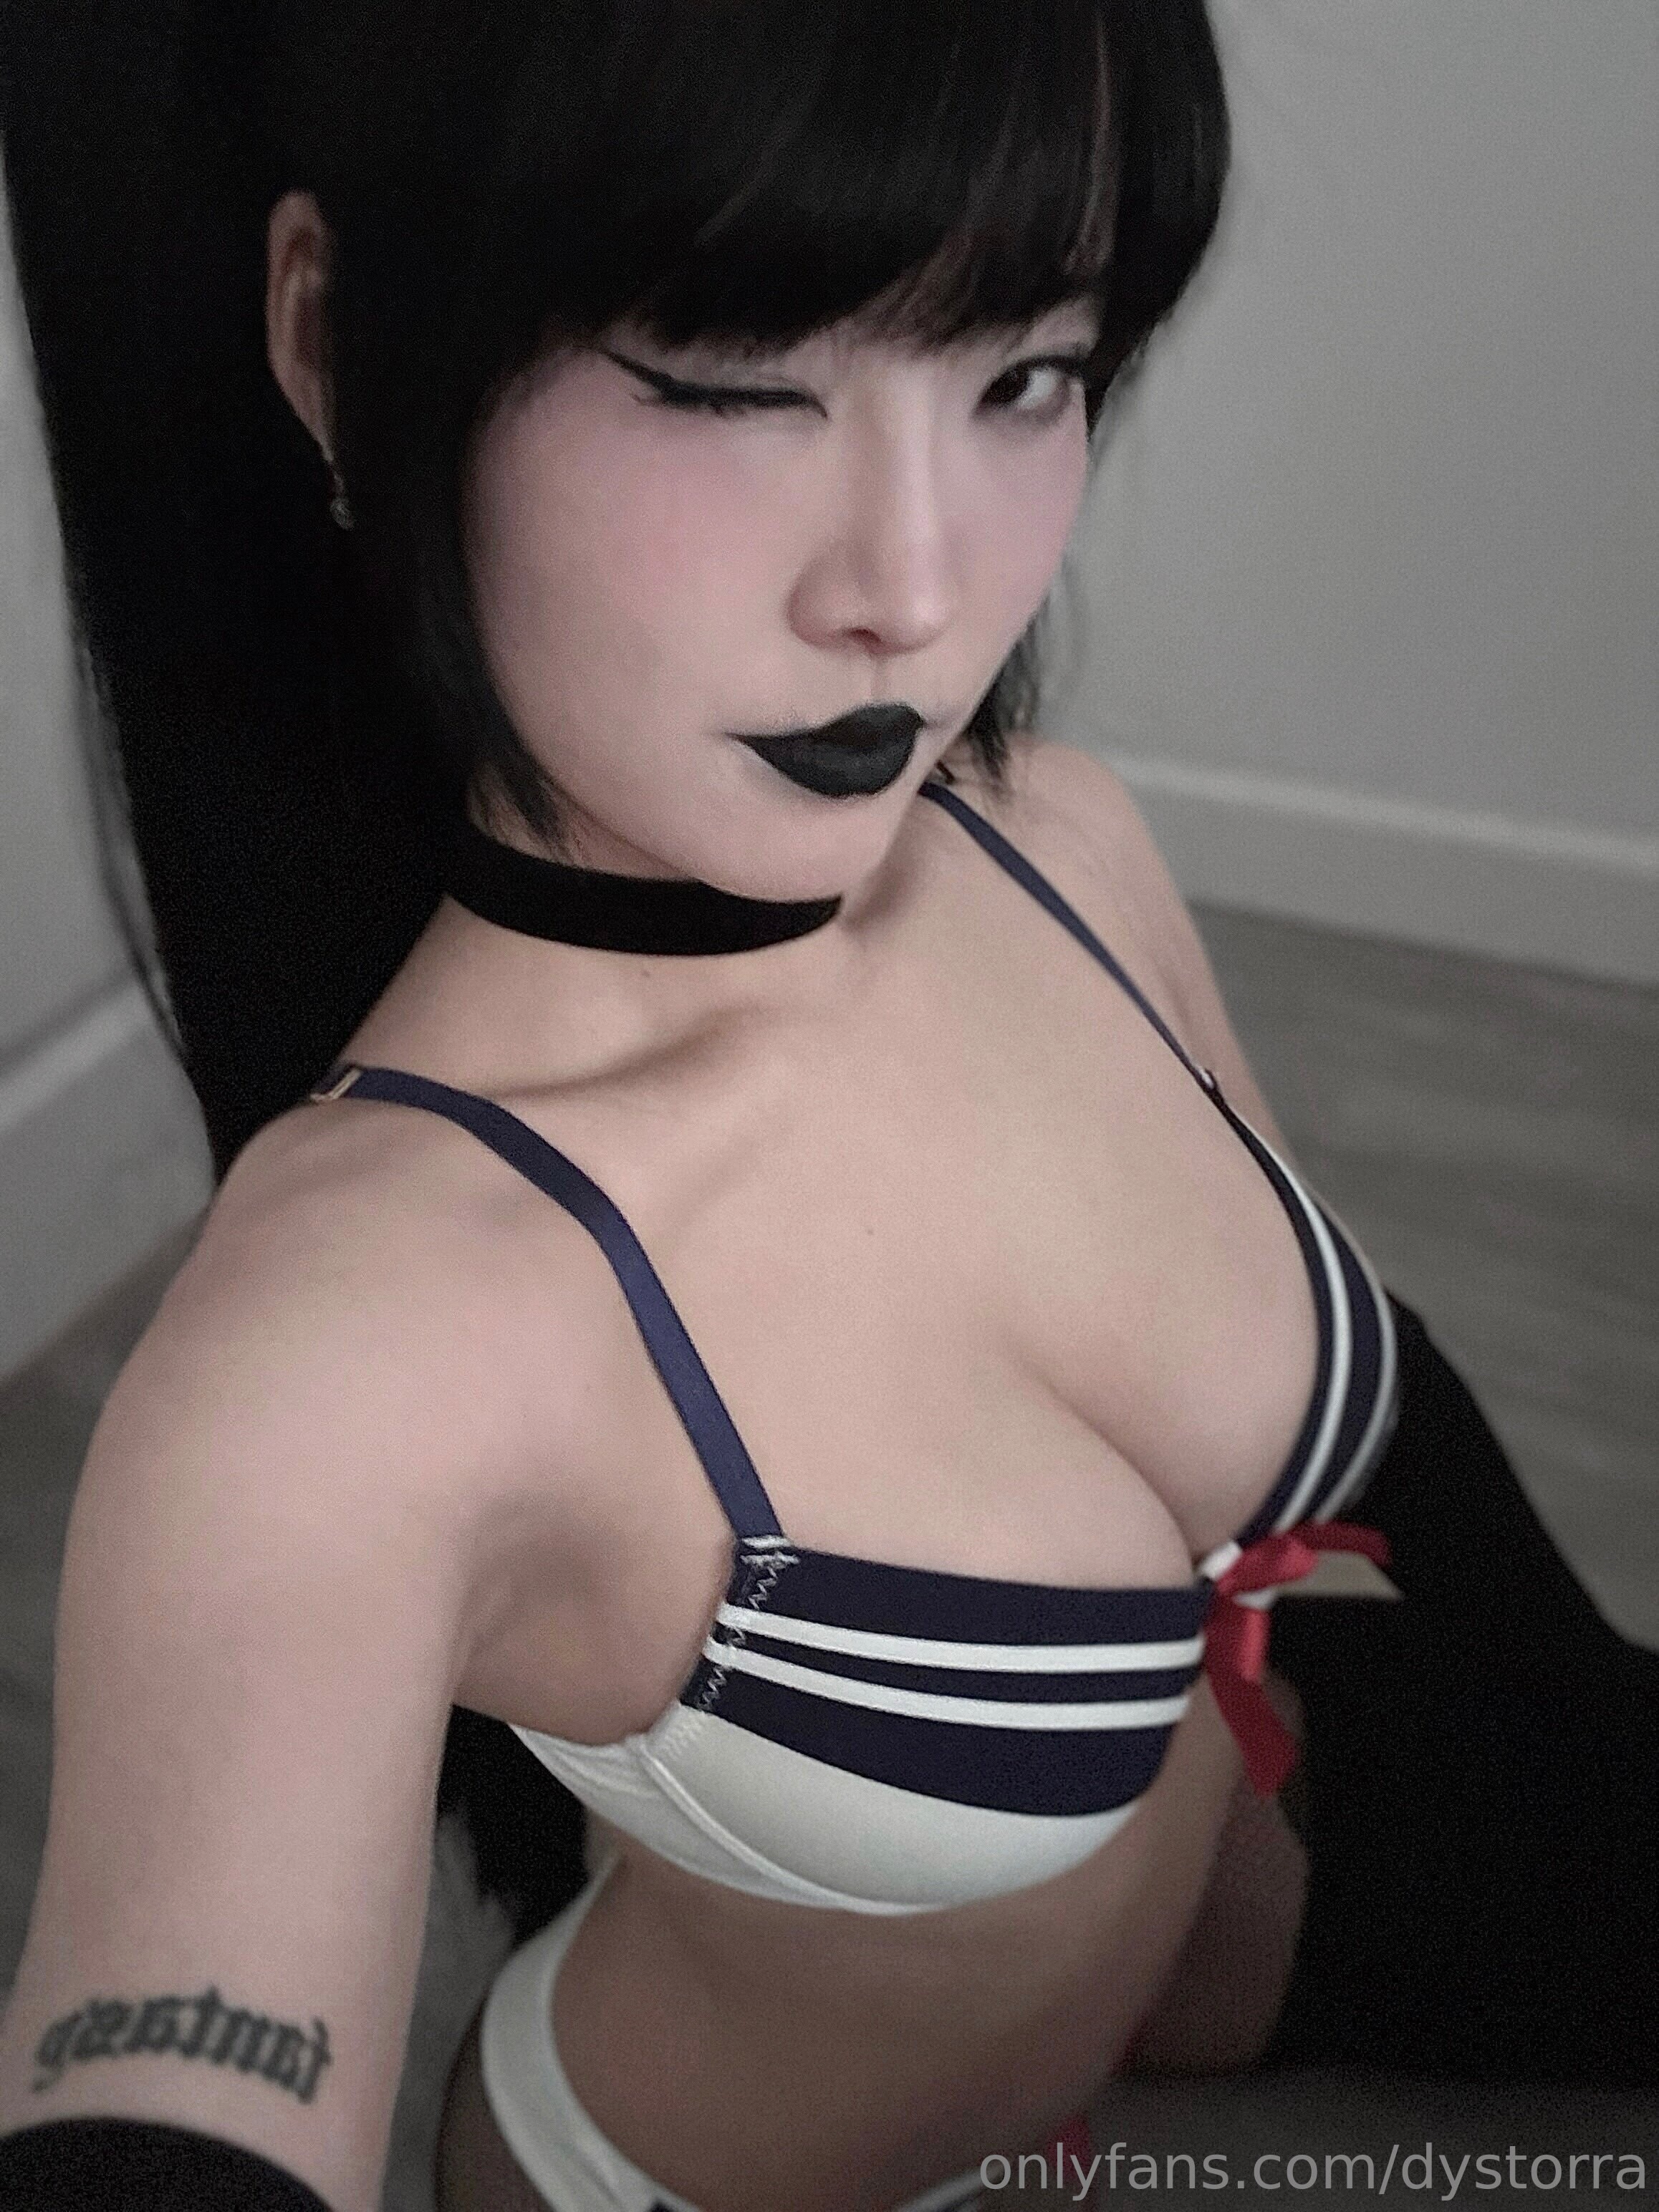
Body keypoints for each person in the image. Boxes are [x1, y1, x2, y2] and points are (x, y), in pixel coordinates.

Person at [0, 4, 1653, 2208]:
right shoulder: (351, 1336)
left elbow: (1418, 1519)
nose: (911, 589)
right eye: (725, 378)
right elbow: (166, 2098)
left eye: (1024, 373)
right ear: (329, 332)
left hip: (1210, 1950)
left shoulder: (1056, 844)